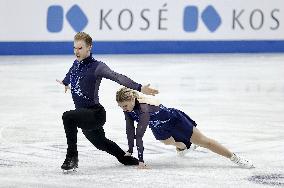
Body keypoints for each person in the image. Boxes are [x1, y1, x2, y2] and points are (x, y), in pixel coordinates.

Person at [56, 32, 159, 171]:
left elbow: (117, 77)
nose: (76, 51)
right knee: (101, 143)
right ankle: (124, 157)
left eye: (80, 48)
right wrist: (65, 82)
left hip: (95, 114)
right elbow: (69, 77)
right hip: (84, 116)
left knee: (68, 117)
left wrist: (139, 87)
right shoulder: (75, 65)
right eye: (75, 48)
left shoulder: (97, 66)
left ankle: (72, 157)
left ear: (89, 48)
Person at [116, 87, 255, 169]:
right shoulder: (128, 108)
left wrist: (140, 160)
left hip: (175, 120)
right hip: (158, 126)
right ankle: (184, 146)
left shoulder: (144, 110)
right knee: (167, 142)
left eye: (125, 106)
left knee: (205, 142)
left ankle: (234, 158)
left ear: (133, 100)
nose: (123, 109)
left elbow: (139, 135)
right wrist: (129, 149)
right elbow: (130, 130)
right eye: (121, 106)